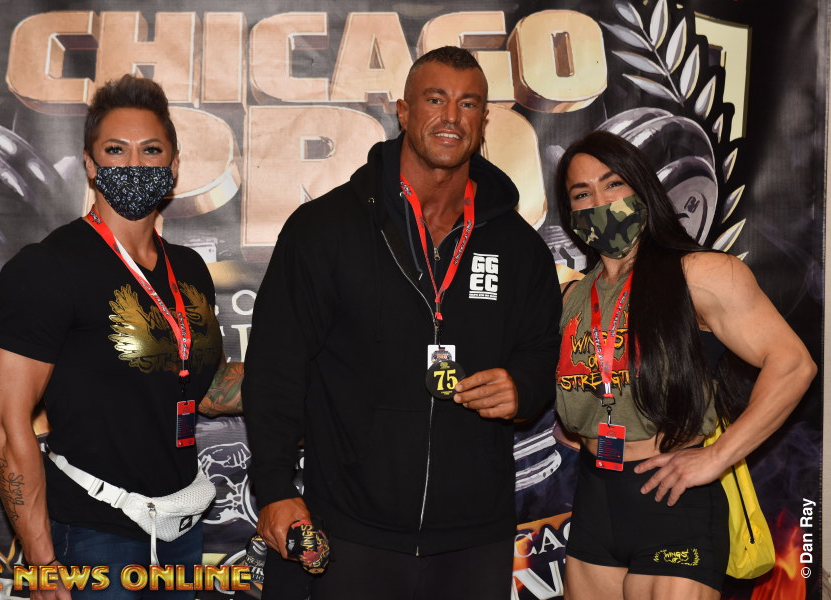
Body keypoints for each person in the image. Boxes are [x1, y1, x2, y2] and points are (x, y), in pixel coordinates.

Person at [242, 46, 561, 599]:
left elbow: (540, 350)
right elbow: (275, 366)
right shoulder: (325, 228)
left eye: (468, 104)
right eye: (435, 100)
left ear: (483, 120)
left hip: (473, 538)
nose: (451, 117)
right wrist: (273, 486)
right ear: (404, 111)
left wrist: (524, 387)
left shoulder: (518, 246)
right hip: (348, 528)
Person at [0, 75, 244, 600]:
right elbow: (6, 425)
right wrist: (41, 560)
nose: (135, 164)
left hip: (180, 530)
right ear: (89, 163)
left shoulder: (189, 268)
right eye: (116, 150)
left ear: (173, 166)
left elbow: (203, 389)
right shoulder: (48, 267)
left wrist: (304, 378)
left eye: (152, 150)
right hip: (91, 535)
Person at [553, 130, 816, 600]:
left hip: (672, 499)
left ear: (642, 187)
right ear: (570, 214)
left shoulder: (700, 273)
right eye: (581, 193)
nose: (600, 201)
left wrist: (718, 456)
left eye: (613, 183)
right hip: (595, 497)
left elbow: (794, 364)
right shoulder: (573, 296)